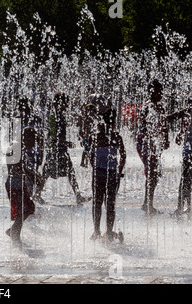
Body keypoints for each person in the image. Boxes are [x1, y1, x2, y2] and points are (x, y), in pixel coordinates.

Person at [35, 92, 88, 205]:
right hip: (57, 149)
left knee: (55, 171)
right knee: (59, 171)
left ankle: (37, 194)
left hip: (58, 149)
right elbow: (53, 136)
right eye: (65, 103)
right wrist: (66, 143)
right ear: (59, 103)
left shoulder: (57, 115)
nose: (67, 106)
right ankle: (37, 194)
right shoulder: (54, 116)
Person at [89, 108, 126, 242]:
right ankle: (109, 232)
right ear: (114, 122)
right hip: (112, 174)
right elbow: (123, 156)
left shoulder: (96, 136)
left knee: (97, 203)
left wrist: (96, 169)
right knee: (110, 204)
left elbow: (91, 156)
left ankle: (96, 231)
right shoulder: (117, 137)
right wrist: (118, 172)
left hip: (98, 173)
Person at [5, 126, 42, 248]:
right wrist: (33, 175)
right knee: (27, 208)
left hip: (15, 182)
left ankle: (14, 233)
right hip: (15, 183)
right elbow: (19, 167)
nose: (34, 143)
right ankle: (13, 233)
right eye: (33, 140)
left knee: (26, 209)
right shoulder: (17, 147)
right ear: (27, 138)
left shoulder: (17, 145)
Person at [136, 80, 169, 215]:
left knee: (154, 174)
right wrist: (154, 136)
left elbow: (164, 124)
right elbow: (142, 127)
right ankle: (148, 204)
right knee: (151, 172)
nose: (161, 94)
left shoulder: (161, 107)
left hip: (154, 144)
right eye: (158, 91)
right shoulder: (145, 107)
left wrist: (165, 138)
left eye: (161, 91)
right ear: (151, 92)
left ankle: (147, 203)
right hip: (144, 143)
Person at [171, 94, 192, 217]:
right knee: (186, 179)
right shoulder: (187, 117)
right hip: (189, 151)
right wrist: (179, 135)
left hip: (188, 151)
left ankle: (183, 207)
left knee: (186, 179)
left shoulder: (187, 114)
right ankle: (183, 207)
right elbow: (180, 135)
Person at [78, 103, 98, 168]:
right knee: (86, 150)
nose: (91, 112)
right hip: (86, 137)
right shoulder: (86, 119)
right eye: (90, 111)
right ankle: (84, 162)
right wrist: (82, 139)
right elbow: (82, 130)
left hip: (91, 137)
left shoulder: (93, 119)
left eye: (93, 111)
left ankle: (86, 162)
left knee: (89, 150)